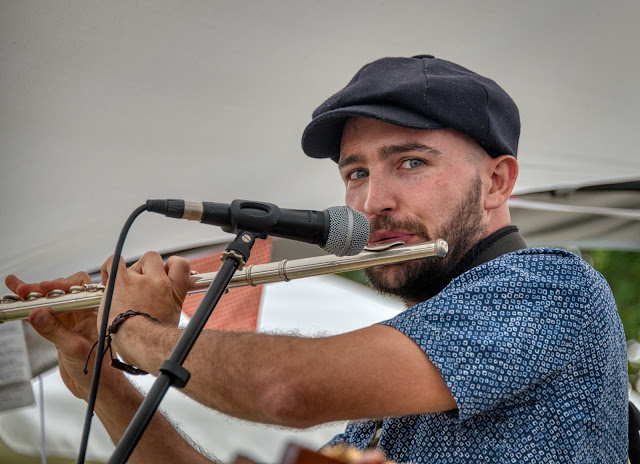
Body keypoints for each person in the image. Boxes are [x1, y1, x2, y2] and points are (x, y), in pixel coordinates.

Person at [6, 55, 628, 463]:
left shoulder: (551, 288)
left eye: (411, 162)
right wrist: (106, 384)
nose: (372, 203)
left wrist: (133, 328)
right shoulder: (397, 383)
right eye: (356, 173)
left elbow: (287, 390)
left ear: (497, 182)